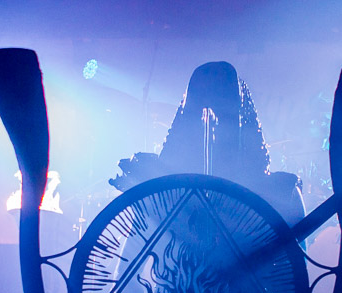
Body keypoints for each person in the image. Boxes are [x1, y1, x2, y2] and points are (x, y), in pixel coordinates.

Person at [111, 61, 305, 226]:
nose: (211, 121)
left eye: (224, 112)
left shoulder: (284, 193)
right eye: (200, 108)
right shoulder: (156, 193)